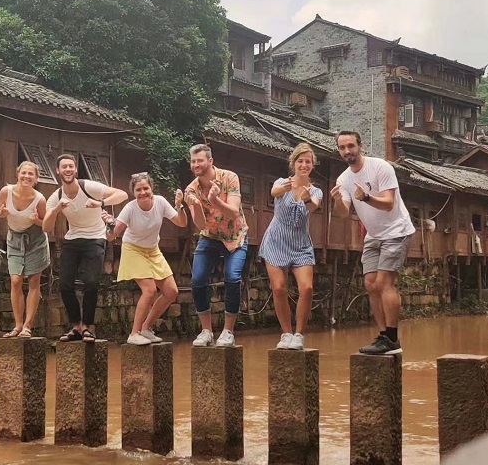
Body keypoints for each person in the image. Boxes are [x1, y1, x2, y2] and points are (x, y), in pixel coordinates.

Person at [330, 131, 415, 355]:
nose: (347, 151)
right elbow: (343, 214)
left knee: (384, 282)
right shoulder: (343, 179)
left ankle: (393, 338)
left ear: (360, 146)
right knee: (370, 283)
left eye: (350, 146)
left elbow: (388, 203)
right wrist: (338, 200)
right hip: (374, 235)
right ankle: (382, 336)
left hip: (397, 230)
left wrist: (366, 197)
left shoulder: (381, 167)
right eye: (342, 147)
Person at [42, 154, 128, 342]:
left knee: (91, 283)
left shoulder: (88, 186)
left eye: (71, 166)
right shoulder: (56, 196)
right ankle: (76, 327)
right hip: (72, 239)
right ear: (58, 171)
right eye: (64, 167)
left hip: (95, 237)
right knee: (64, 284)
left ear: (75, 170)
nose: (68, 170)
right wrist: (56, 209)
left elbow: (122, 194)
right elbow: (46, 227)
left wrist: (100, 203)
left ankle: (88, 327)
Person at [101, 173, 188, 345]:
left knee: (171, 292)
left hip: (153, 250)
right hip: (133, 249)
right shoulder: (130, 208)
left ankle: (146, 328)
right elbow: (111, 237)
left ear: (151, 189)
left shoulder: (161, 202)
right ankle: (134, 333)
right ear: (133, 192)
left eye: (145, 188)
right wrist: (110, 224)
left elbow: (181, 222)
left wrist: (180, 206)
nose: (143, 192)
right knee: (149, 290)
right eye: (138, 190)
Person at [259, 143, 323, 350]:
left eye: (308, 162)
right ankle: (286, 333)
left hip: (300, 243)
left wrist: (305, 200)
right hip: (276, 240)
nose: (304, 165)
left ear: (312, 165)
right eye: (300, 161)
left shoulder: (316, 190)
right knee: (279, 288)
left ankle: (299, 334)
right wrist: (286, 187)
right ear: (293, 163)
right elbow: (274, 191)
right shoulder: (282, 182)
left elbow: (314, 205)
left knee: (307, 287)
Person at [185, 144, 248, 347]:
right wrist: (194, 205)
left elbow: (234, 212)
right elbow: (201, 225)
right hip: (210, 237)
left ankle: (228, 331)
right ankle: (206, 331)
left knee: (232, 277)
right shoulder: (192, 188)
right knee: (198, 279)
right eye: (193, 161)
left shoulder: (229, 177)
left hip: (235, 237)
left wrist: (214, 200)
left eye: (200, 160)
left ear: (210, 161)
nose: (196, 164)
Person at [0, 161, 49, 338]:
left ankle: (27, 326)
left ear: (36, 178)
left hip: (36, 240)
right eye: (23, 173)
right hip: (15, 238)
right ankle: (17, 325)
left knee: (34, 281)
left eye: (30, 174)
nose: (26, 177)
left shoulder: (39, 198)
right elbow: (0, 211)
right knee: (16, 280)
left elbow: (47, 225)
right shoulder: (6, 192)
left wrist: (36, 220)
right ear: (17, 174)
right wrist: (2, 214)